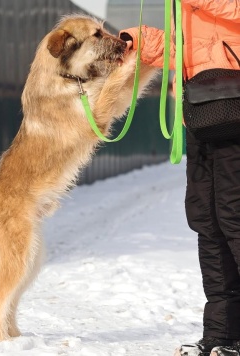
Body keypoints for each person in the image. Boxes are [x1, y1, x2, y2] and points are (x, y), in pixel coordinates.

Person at [119, 1, 240, 356]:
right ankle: (222, 335)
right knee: (207, 220)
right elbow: (186, 51)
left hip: (234, 108)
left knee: (235, 216)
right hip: (203, 112)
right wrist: (139, 40)